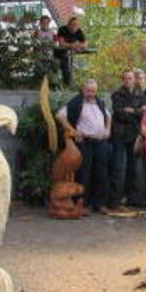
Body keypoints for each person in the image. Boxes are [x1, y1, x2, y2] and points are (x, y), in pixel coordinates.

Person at [56, 79, 111, 215]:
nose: (91, 93)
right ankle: (83, 204)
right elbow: (60, 116)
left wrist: (107, 130)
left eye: (93, 91)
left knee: (101, 174)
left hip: (101, 142)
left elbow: (109, 116)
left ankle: (99, 204)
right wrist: (72, 130)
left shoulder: (99, 102)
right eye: (88, 90)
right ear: (83, 89)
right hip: (85, 142)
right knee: (84, 174)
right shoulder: (75, 102)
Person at [110, 70, 146, 209]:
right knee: (119, 168)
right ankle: (115, 201)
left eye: (130, 78)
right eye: (125, 78)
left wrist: (133, 111)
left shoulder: (140, 94)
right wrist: (137, 112)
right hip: (120, 135)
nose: (128, 80)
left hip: (135, 136)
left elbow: (145, 113)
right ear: (122, 80)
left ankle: (133, 199)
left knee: (134, 169)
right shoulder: (116, 94)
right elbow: (119, 114)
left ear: (134, 79)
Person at [56, 17, 87, 86]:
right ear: (68, 25)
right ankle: (66, 84)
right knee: (65, 66)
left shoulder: (79, 31)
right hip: (60, 53)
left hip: (73, 54)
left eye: (75, 25)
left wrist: (76, 45)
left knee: (76, 67)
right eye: (72, 25)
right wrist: (73, 45)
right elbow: (61, 43)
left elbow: (85, 44)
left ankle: (71, 84)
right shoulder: (62, 29)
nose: (73, 27)